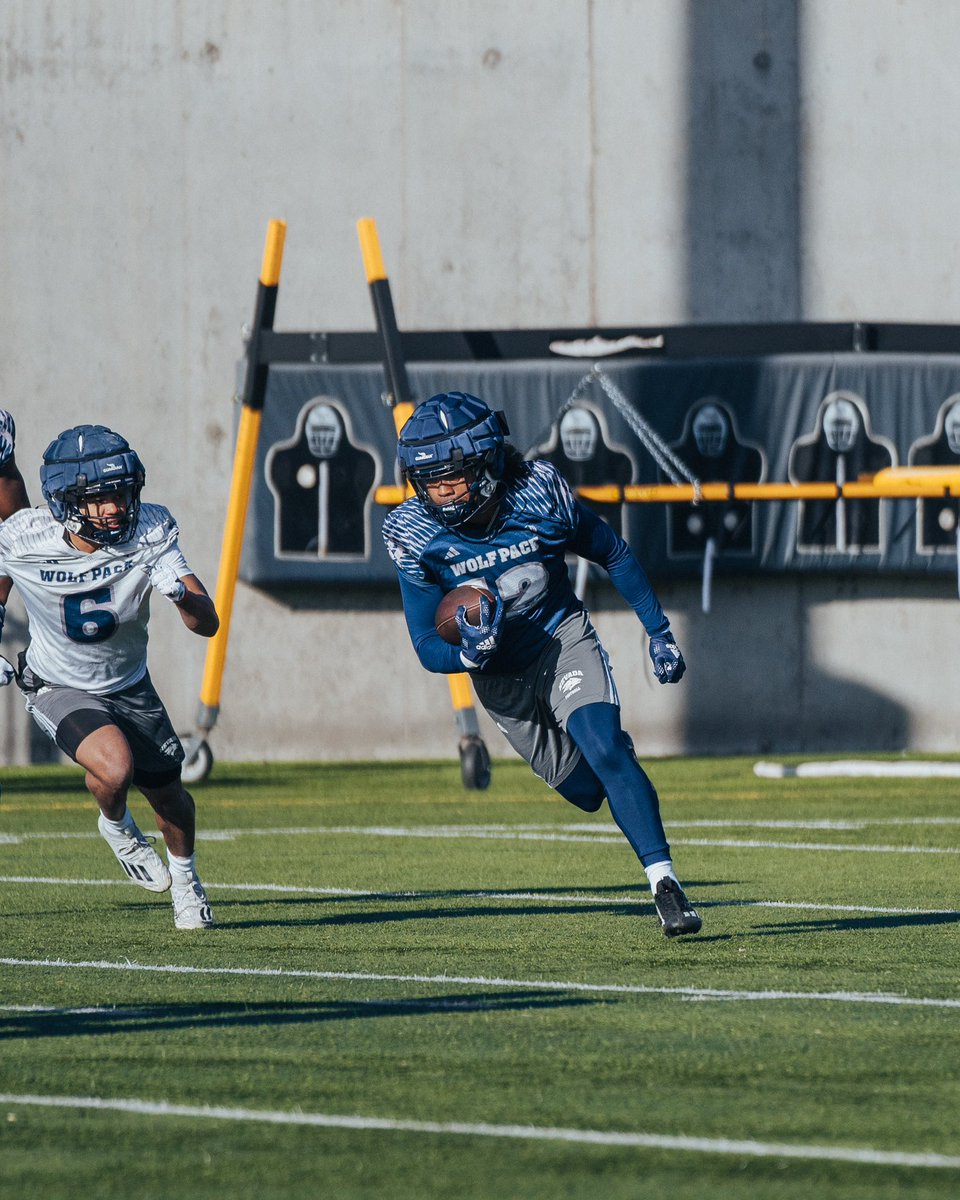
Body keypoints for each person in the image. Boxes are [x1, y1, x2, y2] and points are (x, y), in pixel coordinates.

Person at [384, 391, 701, 939]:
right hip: (500, 678)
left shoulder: (538, 493)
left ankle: (665, 883)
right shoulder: (413, 532)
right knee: (587, 792)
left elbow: (612, 551)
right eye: (429, 480)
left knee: (604, 746)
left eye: (451, 475)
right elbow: (424, 640)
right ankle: (617, 771)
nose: (442, 490)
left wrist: (659, 631)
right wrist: (466, 654)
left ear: (486, 463)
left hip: (560, 638)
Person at [0, 424, 220, 929]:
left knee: (169, 796)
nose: (116, 508)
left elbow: (207, 623)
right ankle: (117, 824)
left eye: (121, 493)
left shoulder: (150, 530)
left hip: (129, 683)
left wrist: (180, 596)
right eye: (99, 499)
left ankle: (186, 883)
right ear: (66, 501)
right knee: (115, 767)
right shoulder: (25, 535)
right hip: (57, 683)